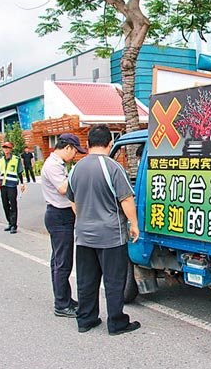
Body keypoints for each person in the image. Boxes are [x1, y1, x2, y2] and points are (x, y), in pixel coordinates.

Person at [66, 124, 140, 335]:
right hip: (110, 235)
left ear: (88, 144)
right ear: (110, 144)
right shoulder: (113, 168)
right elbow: (126, 199)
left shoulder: (76, 169)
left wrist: (83, 218)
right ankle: (116, 323)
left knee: (86, 280)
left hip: (83, 236)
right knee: (113, 280)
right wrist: (134, 225)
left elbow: (72, 200)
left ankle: (86, 320)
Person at [40, 133, 86, 318]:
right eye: (74, 151)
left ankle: (65, 298)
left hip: (60, 215)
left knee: (59, 261)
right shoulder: (53, 165)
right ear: (67, 147)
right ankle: (61, 304)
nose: (74, 156)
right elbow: (64, 189)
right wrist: (78, 173)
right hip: (59, 216)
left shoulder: (58, 164)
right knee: (63, 263)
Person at [0, 141, 26, 234]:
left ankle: (14, 225)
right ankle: (10, 222)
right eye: (4, 147)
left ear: (11, 149)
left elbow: (19, 172)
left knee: (13, 205)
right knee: (5, 205)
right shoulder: (0, 160)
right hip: (3, 185)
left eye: (7, 147)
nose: (6, 149)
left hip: (12, 185)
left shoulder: (16, 159)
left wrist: (22, 184)